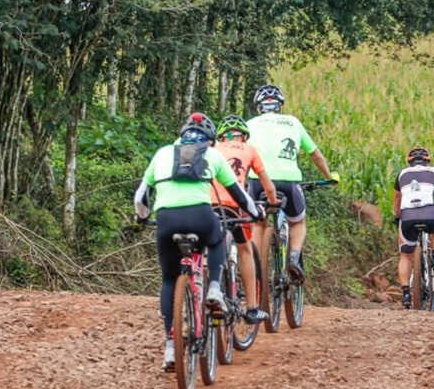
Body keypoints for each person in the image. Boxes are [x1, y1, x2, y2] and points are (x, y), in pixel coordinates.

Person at [134, 112, 265, 371]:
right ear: (209, 140)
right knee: (216, 241)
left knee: (170, 280)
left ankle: (171, 346)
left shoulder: (162, 153)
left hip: (166, 221)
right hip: (201, 217)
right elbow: (238, 195)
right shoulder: (212, 154)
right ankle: (214, 287)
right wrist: (256, 213)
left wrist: (142, 218)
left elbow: (141, 197)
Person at [246, 84, 338, 284]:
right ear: (279, 106)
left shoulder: (250, 124)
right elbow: (315, 154)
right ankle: (294, 256)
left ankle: (253, 263)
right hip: (288, 180)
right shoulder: (293, 123)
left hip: (258, 181)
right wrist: (329, 176)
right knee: (297, 222)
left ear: (258, 108)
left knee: (258, 223)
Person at [210, 113, 279, 326]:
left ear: (221, 138)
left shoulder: (211, 150)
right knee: (245, 250)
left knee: (207, 247)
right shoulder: (250, 150)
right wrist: (272, 201)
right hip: (233, 208)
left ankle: (205, 287)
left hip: (206, 205)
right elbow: (267, 186)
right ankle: (251, 308)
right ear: (244, 137)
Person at [392, 146, 434, 310]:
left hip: (408, 216)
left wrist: (397, 218)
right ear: (427, 160)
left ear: (409, 162)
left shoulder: (402, 174)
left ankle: (406, 293)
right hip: (430, 213)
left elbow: (396, 198)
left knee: (405, 256)